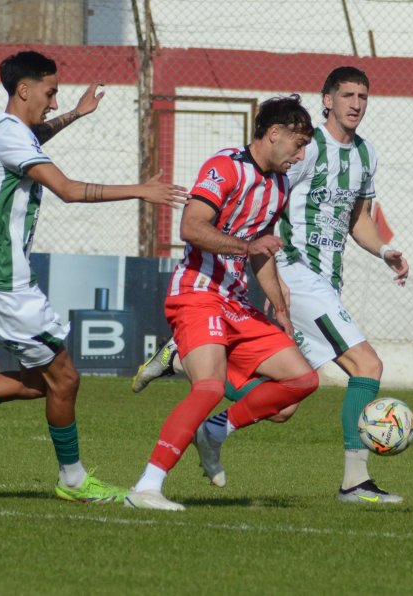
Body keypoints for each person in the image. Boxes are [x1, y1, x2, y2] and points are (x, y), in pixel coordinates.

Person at [0, 50, 189, 505]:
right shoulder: (12, 138)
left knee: (43, 381)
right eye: (51, 93)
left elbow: (33, 137)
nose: (53, 103)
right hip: (2, 280)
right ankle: (72, 480)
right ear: (25, 89)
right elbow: (69, 190)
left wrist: (76, 113)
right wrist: (141, 190)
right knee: (65, 379)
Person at [132, 66, 410, 504]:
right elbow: (211, 224)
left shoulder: (360, 156)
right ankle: (355, 482)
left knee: (286, 403)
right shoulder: (289, 153)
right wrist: (259, 257)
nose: (357, 103)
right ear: (327, 101)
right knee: (367, 365)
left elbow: (357, 218)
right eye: (348, 95)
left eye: (363, 96)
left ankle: (201, 396)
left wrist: (383, 250)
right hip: (296, 274)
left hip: (294, 286)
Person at [125, 95, 319, 511]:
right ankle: (146, 487)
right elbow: (191, 226)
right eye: (297, 144)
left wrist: (282, 310)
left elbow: (261, 250)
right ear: (273, 134)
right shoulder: (224, 167)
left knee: (300, 384)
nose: (300, 154)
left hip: (234, 302)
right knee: (210, 387)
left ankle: (215, 431)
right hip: (196, 292)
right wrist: (248, 245)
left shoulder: (279, 185)